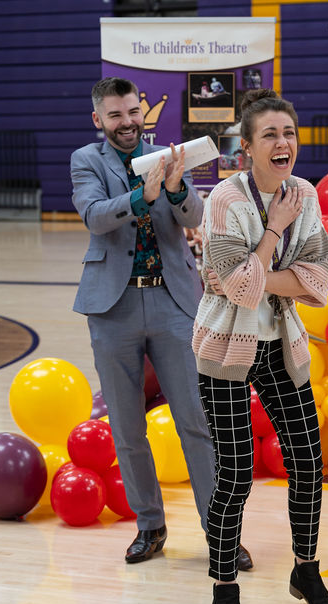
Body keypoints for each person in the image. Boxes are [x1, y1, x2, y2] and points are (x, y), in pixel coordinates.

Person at [70, 77, 252, 571]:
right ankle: (150, 526)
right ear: (98, 120)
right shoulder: (87, 161)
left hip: (174, 305)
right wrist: (137, 197)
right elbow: (92, 215)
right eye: (115, 115)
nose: (127, 122)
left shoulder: (168, 157)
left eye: (132, 113)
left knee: (196, 422)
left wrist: (172, 189)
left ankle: (223, 534)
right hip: (114, 308)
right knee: (127, 429)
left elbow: (195, 213)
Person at [191, 89, 328, 604]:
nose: (284, 144)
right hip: (225, 348)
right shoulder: (226, 200)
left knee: (308, 461)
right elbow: (239, 291)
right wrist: (275, 231)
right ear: (246, 148)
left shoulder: (306, 191)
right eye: (270, 135)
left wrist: (258, 276)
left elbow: (317, 282)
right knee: (234, 474)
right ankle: (223, 588)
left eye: (289, 134)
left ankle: (306, 570)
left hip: (280, 344)